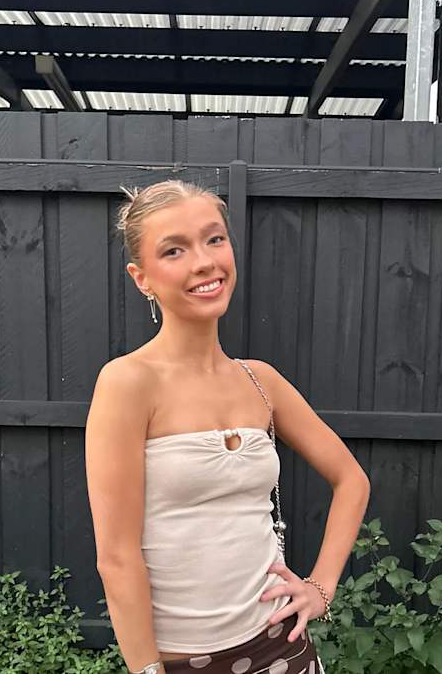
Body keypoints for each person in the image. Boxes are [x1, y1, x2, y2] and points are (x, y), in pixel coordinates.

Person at [85, 180, 371, 674]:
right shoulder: (128, 383)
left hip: (285, 647)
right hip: (185, 661)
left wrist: (321, 588)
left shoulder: (261, 381)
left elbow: (352, 480)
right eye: (174, 250)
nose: (204, 262)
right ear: (142, 278)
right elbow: (117, 558)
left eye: (214, 239)